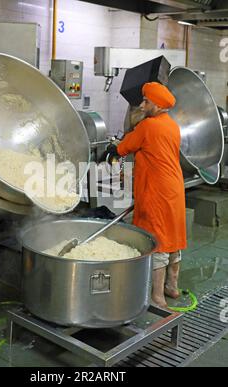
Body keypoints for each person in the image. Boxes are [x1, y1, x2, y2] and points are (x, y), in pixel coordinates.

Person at [103, 82, 187, 308]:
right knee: (173, 237)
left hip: (156, 191)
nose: (142, 104)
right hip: (174, 188)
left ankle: (157, 297)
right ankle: (172, 286)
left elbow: (123, 148)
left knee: (157, 239)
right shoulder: (171, 125)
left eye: (146, 101)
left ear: (157, 105)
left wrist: (110, 150)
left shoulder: (148, 127)